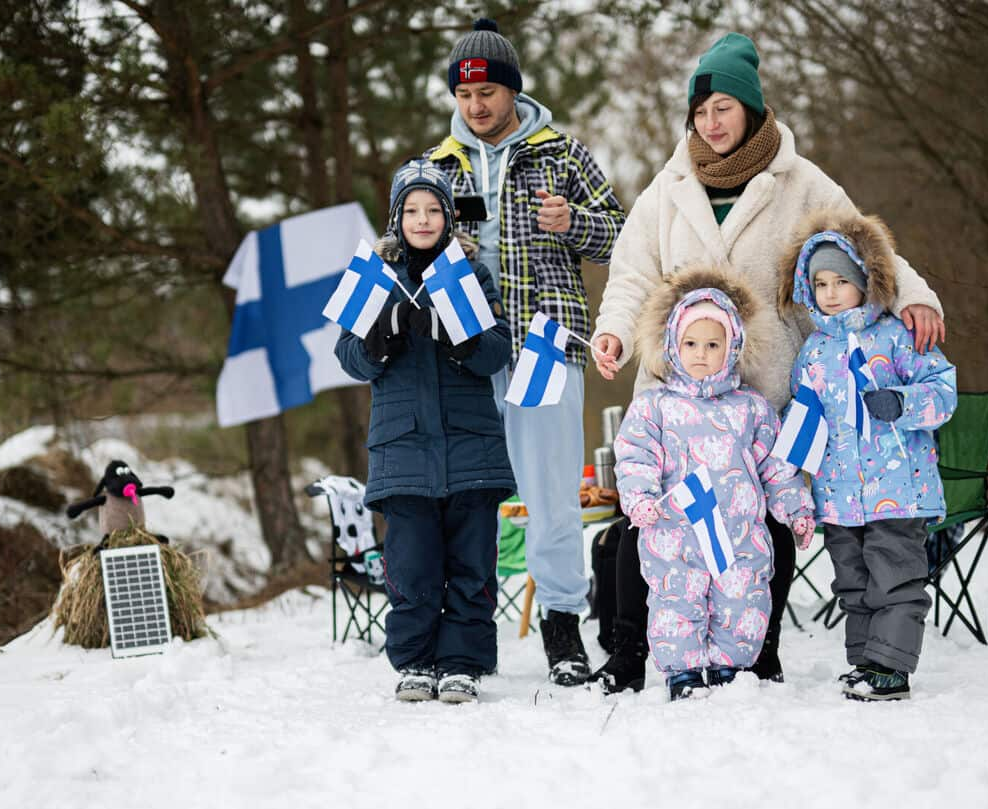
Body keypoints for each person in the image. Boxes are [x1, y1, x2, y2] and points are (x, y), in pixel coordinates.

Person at [587, 32, 946, 689]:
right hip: (676, 386)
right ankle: (631, 653)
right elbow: (631, 275)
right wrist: (612, 330)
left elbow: (862, 245)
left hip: (765, 385)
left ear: (751, 109)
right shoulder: (667, 188)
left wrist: (915, 297)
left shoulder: (801, 182)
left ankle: (757, 649)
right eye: (700, 112)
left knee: (765, 518)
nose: (711, 123)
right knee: (649, 518)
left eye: (723, 108)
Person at [426, 18, 627, 686]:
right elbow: (405, 243)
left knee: (549, 493)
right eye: (464, 93)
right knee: (464, 497)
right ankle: (461, 633)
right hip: (464, 351)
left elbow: (622, 237)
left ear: (512, 89)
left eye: (487, 92)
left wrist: (575, 222)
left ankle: (563, 624)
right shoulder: (437, 167)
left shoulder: (561, 153)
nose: (476, 104)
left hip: (544, 342)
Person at [334, 159, 514, 704]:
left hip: (470, 450)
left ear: (450, 215)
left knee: (470, 565)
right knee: (411, 568)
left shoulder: (471, 274)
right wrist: (378, 339)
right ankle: (415, 661)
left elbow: (496, 350)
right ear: (396, 217)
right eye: (411, 209)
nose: (423, 218)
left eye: (434, 209)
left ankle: (461, 662)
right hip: (403, 453)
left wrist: (459, 338)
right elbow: (348, 356)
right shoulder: (375, 279)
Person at [778, 209, 958, 701]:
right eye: (820, 283)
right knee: (853, 584)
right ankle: (866, 662)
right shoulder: (812, 353)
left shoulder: (896, 334)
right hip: (838, 496)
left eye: (842, 280)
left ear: (866, 280)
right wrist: (792, 474)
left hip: (898, 490)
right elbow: (802, 419)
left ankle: (891, 668)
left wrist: (903, 403)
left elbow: (943, 390)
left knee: (895, 577)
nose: (831, 293)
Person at [612, 268, 815, 700]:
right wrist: (640, 498)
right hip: (676, 536)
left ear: (732, 348)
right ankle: (682, 673)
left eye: (712, 345)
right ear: (673, 346)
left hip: (738, 536)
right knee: (676, 604)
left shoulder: (752, 409)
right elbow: (634, 456)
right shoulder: (655, 407)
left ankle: (730, 670)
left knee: (742, 602)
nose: (701, 354)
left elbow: (777, 467)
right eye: (691, 344)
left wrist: (796, 510)